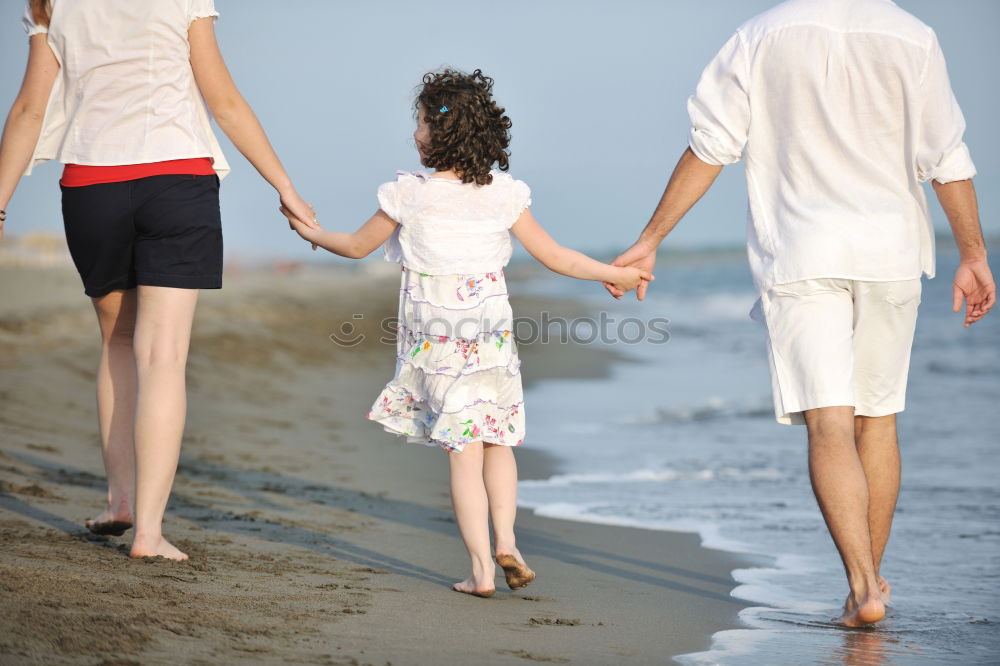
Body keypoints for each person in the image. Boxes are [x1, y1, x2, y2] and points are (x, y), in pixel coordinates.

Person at [607, 0, 995, 626]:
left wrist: (651, 239)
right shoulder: (912, 35)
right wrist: (973, 253)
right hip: (890, 254)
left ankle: (863, 585)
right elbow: (945, 156)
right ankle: (871, 584)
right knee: (879, 421)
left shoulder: (760, 35)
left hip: (802, 253)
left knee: (830, 424)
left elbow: (711, 147)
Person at [284, 69, 650, 597]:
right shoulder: (503, 194)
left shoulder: (408, 195)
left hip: (437, 340)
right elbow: (555, 257)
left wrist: (310, 233)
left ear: (437, 132)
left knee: (462, 450)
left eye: (419, 123)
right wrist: (616, 274)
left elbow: (357, 247)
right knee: (498, 439)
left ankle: (481, 570)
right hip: (493, 338)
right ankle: (508, 541)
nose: (414, 134)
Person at [0, 0, 319, 561]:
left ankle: (119, 500)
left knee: (118, 343)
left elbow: (30, 109)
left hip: (91, 187)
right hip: (178, 181)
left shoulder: (53, 3)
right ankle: (148, 533)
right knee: (164, 357)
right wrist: (284, 187)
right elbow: (223, 99)